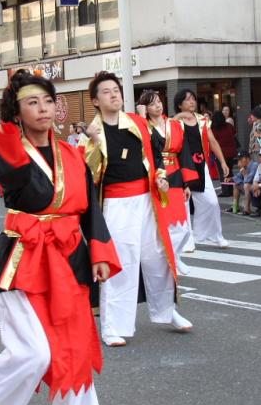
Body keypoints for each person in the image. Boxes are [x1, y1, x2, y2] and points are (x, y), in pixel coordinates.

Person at [0, 71, 122, 405]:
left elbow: (89, 209)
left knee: (75, 353)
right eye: (32, 103)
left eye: (48, 102)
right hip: (25, 257)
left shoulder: (70, 153)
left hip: (69, 258)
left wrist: (99, 250)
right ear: (16, 112)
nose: (43, 109)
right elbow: (15, 171)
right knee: (34, 353)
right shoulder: (6, 149)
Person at [80, 72, 193, 347]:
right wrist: (93, 142)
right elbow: (89, 174)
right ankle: (111, 326)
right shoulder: (92, 133)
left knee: (158, 258)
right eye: (106, 92)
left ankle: (167, 311)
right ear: (95, 100)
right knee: (122, 263)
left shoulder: (137, 122)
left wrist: (161, 176)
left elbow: (155, 155)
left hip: (147, 200)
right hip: (116, 205)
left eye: (116, 90)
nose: (114, 94)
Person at [138, 90, 198, 276]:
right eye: (152, 103)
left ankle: (175, 256)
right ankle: (172, 260)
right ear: (145, 109)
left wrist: (187, 183)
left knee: (182, 227)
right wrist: (141, 117)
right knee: (164, 223)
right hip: (157, 176)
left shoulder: (174, 124)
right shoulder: (143, 126)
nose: (158, 105)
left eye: (159, 102)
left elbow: (184, 152)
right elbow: (144, 149)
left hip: (176, 176)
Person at [173, 88, 230, 248]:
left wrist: (223, 162)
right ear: (179, 105)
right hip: (182, 166)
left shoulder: (202, 120)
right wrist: (178, 117)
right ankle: (187, 240)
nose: (192, 102)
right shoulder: (174, 122)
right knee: (184, 205)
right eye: (187, 99)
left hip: (200, 164)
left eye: (193, 99)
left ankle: (213, 235)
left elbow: (212, 141)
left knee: (211, 202)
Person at [210, 105, 239, 180]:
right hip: (231, 153)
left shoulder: (213, 129)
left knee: (222, 173)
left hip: (220, 154)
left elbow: (212, 141)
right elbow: (234, 133)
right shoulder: (229, 125)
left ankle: (226, 191)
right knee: (230, 172)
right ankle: (230, 190)